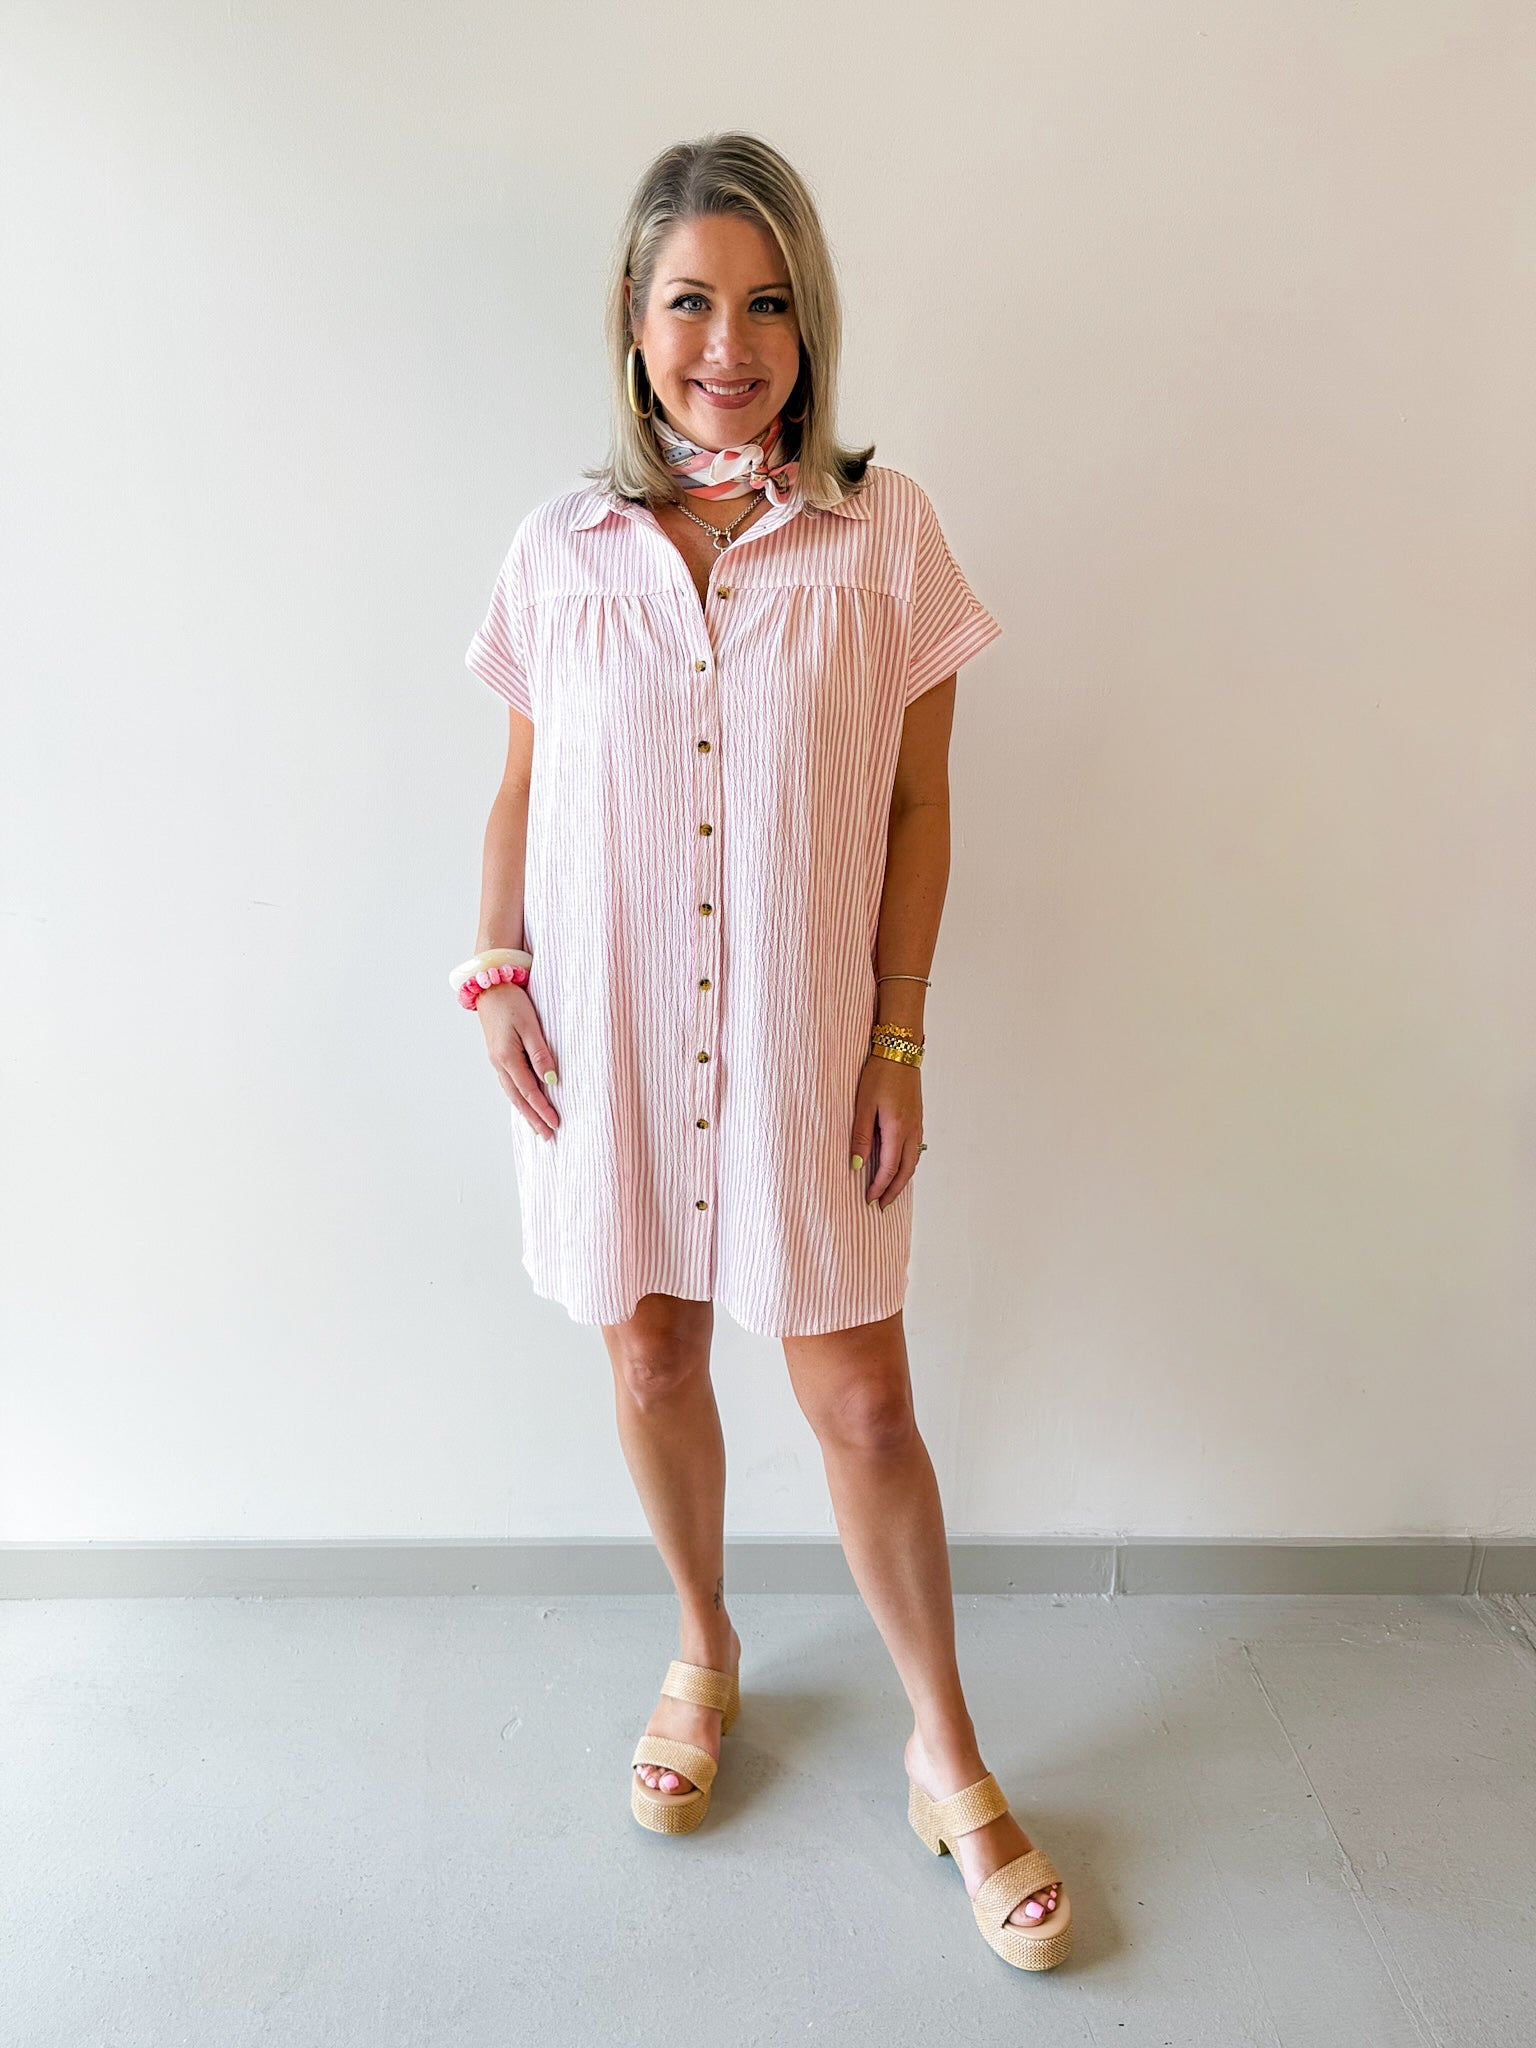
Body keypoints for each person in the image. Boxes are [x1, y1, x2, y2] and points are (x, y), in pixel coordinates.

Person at [458, 132, 1073, 1972]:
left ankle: (946, 1755)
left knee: (862, 1401)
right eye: (691, 302)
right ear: (632, 319)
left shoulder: (890, 537)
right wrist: (495, 969)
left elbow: (921, 806)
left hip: (810, 1045)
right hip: (614, 1041)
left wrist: (897, 1036)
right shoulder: (558, 549)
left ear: (812, 323)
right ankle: (703, 1648)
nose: (728, 345)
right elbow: (520, 788)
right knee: (649, 1350)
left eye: (768, 304)